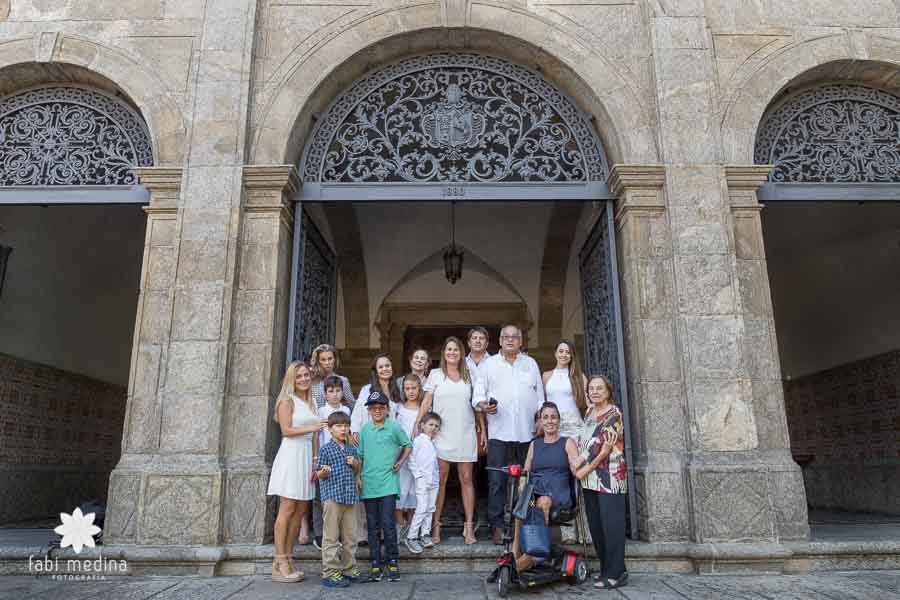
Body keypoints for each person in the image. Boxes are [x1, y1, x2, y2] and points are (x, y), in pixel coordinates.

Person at [473, 324, 544, 545]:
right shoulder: (489, 365)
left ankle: (521, 525)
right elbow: (477, 396)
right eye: (506, 337)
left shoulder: (530, 363)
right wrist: (484, 406)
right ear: (500, 340)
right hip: (499, 433)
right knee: (497, 481)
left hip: (526, 433)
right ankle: (497, 526)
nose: (511, 340)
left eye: (515, 337)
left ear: (521, 341)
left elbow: (539, 396)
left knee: (527, 481)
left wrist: (541, 418)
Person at [416, 337, 482, 545]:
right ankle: (435, 526)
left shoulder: (470, 375)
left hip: (465, 432)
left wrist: (483, 432)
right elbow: (427, 401)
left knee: (466, 480)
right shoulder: (435, 375)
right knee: (440, 481)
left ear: (461, 353)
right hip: (441, 434)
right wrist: (417, 422)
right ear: (444, 353)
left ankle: (469, 527)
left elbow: (477, 404)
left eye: (456, 349)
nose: (452, 352)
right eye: (449, 349)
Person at [266, 361, 324, 583]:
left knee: (300, 511)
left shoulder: (311, 401)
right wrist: (313, 428)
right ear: (292, 379)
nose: (303, 379)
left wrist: (316, 461)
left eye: (306, 375)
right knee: (287, 509)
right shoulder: (286, 400)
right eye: (299, 376)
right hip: (291, 456)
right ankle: (278, 560)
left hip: (307, 457)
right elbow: (287, 430)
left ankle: (289, 557)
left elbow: (316, 436)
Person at [511, 401, 582, 573]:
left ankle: (535, 555)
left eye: (553, 417)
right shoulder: (535, 445)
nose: (550, 421)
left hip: (559, 495)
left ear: (559, 420)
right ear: (540, 422)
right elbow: (526, 471)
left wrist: (576, 464)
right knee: (523, 504)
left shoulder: (567, 442)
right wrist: (522, 483)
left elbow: (576, 467)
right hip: (537, 492)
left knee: (542, 501)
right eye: (545, 417)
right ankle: (514, 552)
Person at [577, 375, 628, 590]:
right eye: (591, 388)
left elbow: (600, 444)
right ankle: (607, 569)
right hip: (590, 479)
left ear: (608, 391)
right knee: (597, 527)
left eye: (600, 388)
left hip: (610, 477)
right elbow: (582, 438)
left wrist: (578, 462)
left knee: (612, 527)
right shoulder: (589, 411)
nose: (595, 392)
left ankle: (617, 572)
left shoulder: (614, 414)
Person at [358, 390, 412, 582]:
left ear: (387, 410)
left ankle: (393, 560)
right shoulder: (365, 430)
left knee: (388, 525)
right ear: (369, 411)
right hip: (369, 483)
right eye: (373, 408)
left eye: (381, 408)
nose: (377, 411)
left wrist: (400, 462)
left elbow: (407, 444)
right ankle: (375, 563)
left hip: (388, 483)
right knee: (372, 526)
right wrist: (358, 476)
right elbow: (361, 455)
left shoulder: (393, 427)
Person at [542, 339, 588, 543]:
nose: (564, 355)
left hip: (575, 430)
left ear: (571, 356)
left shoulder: (578, 377)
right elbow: (543, 404)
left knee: (578, 478)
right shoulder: (546, 376)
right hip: (556, 430)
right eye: (561, 351)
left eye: (567, 352)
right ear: (555, 353)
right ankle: (568, 533)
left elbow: (589, 404)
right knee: (561, 479)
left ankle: (585, 532)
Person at [315, 411, 361, 588]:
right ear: (330, 429)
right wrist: (323, 472)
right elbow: (318, 473)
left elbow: (357, 470)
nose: (343, 429)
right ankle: (331, 572)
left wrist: (355, 464)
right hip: (332, 498)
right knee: (331, 536)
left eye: (346, 426)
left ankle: (349, 569)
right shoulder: (325, 449)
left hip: (350, 497)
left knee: (350, 536)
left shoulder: (351, 448)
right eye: (339, 426)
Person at [311, 375, 353, 549]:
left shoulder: (346, 410)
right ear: (325, 394)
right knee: (321, 497)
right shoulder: (321, 411)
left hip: (342, 458)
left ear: (343, 392)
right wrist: (315, 458)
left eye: (337, 391)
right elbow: (316, 435)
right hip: (325, 457)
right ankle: (320, 533)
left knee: (340, 496)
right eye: (331, 391)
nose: (335, 394)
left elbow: (349, 435)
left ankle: (340, 533)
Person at [404, 412, 442, 554]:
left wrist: (436, 479)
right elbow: (411, 459)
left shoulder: (432, 443)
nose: (433, 428)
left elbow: (434, 463)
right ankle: (411, 536)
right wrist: (418, 476)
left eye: (436, 426)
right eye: (430, 424)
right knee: (421, 508)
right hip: (422, 480)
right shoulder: (419, 440)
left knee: (430, 508)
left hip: (433, 481)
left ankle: (424, 534)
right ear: (422, 425)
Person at [393, 373, 422, 539]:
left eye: (414, 388)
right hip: (402, 454)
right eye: (407, 388)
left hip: (418, 454)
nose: (411, 391)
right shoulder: (399, 408)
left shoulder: (424, 409)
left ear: (419, 389)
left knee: (415, 490)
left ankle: (412, 527)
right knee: (401, 489)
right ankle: (400, 524)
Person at [351, 353, 402, 443]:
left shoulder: (398, 390)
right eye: (381, 367)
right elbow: (357, 413)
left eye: (387, 366)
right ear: (376, 371)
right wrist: (355, 431)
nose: (385, 369)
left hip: (391, 439)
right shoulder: (367, 389)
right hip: (370, 437)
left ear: (392, 368)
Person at [310, 344, 355, 410]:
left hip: (335, 418)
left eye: (330, 359)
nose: (327, 362)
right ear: (318, 361)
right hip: (315, 418)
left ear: (335, 359)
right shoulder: (311, 380)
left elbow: (352, 404)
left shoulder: (342, 380)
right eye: (323, 360)